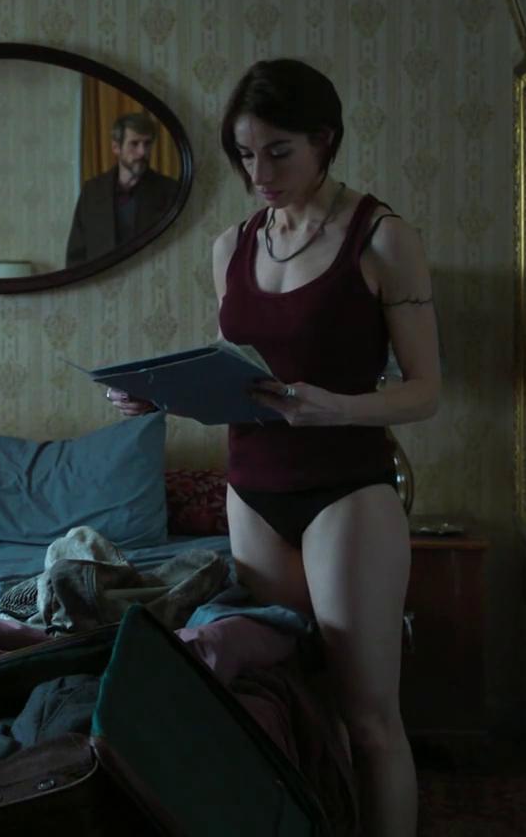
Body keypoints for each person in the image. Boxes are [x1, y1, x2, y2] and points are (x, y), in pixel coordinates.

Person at [107, 59, 440, 836]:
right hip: (251, 490)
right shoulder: (231, 246)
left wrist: (338, 407)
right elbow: (240, 378)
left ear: (325, 140)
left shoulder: (383, 238)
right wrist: (161, 394)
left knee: (370, 720)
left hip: (345, 490)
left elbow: (426, 391)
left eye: (278, 152)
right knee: (302, 704)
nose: (259, 173)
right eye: (245, 154)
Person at [64, 111, 180, 266]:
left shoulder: (170, 190)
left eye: (147, 144)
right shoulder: (92, 192)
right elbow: (76, 256)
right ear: (116, 147)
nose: (142, 152)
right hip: (103, 279)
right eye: (134, 144)